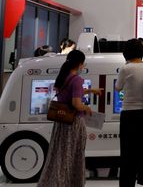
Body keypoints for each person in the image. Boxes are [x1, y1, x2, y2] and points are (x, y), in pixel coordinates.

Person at [38, 49, 103, 187]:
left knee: (60, 154)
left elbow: (71, 92)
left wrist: (91, 90)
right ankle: (70, 182)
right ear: (79, 64)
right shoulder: (77, 80)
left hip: (61, 122)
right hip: (74, 123)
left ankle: (55, 181)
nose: (83, 67)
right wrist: (87, 108)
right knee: (72, 155)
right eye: (83, 64)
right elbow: (76, 104)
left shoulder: (62, 77)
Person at [116, 38, 143, 187]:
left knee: (128, 153)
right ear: (142, 51)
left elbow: (118, 88)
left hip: (129, 115)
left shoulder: (125, 68)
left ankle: (127, 183)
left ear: (126, 53)